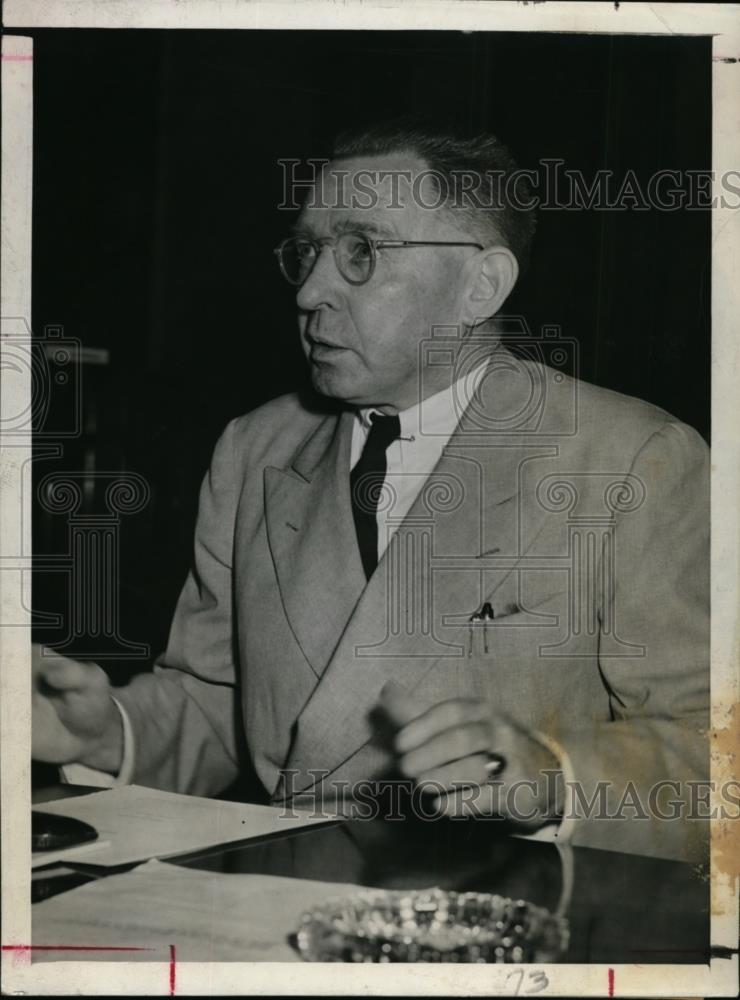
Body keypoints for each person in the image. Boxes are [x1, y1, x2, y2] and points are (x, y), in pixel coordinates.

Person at [32, 119, 709, 861]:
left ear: (479, 286)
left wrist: (557, 775)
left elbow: (712, 746)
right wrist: (110, 733)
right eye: (307, 252)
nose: (312, 290)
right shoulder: (256, 447)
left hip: (517, 925)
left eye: (361, 252)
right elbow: (221, 700)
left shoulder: (634, 459)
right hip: (277, 907)